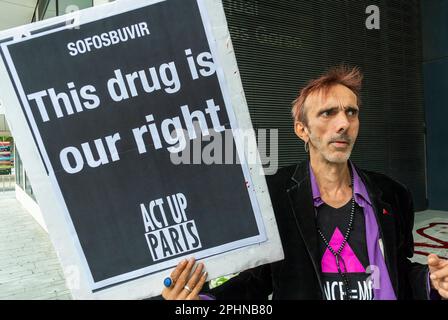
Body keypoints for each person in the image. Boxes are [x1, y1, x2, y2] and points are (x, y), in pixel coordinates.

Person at [160, 65, 448, 300]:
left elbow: (397, 270)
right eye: (328, 113)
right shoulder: (274, 194)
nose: (343, 123)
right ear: (302, 129)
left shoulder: (392, 193)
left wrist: (432, 282)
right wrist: (199, 303)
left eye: (351, 112)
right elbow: (258, 279)